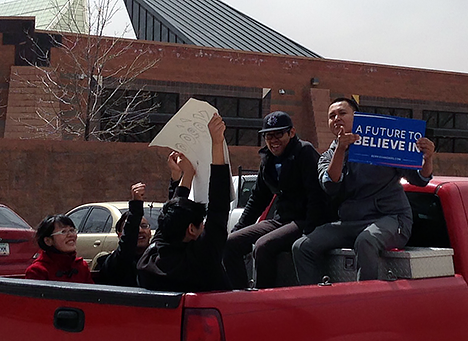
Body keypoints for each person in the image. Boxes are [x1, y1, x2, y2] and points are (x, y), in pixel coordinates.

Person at [292, 97, 435, 283]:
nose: (336, 118)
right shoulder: (328, 155)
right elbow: (330, 184)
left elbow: (420, 179)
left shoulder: (382, 144)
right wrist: (341, 151)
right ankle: (317, 299)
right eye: (331, 116)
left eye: (342, 113)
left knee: (365, 241)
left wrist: (428, 157)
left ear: (357, 117)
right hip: (351, 222)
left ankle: (365, 298)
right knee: (301, 246)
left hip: (391, 218)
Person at [222, 111, 330, 289]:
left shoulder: (304, 152)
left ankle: (264, 300)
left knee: (263, 246)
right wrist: (238, 229)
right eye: (268, 135)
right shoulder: (268, 160)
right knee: (229, 244)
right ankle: (239, 296)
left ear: (291, 133)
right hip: (280, 220)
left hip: (305, 221)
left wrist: (309, 232)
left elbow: (316, 196)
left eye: (279, 134)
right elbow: (257, 199)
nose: (273, 140)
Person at [136, 113, 232, 292]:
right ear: (191, 229)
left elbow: (170, 222)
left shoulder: (148, 261)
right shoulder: (202, 258)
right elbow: (219, 205)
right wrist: (217, 143)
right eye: (201, 224)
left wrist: (186, 175)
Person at [92, 182, 152, 287]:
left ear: (150, 232)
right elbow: (127, 247)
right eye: (135, 227)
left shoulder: (155, 259)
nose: (140, 230)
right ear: (120, 235)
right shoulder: (115, 262)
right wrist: (136, 206)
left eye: (144, 226)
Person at [25, 215, 93, 283]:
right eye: (63, 231)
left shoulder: (81, 266)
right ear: (48, 241)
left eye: (72, 230)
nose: (71, 235)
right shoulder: (37, 271)